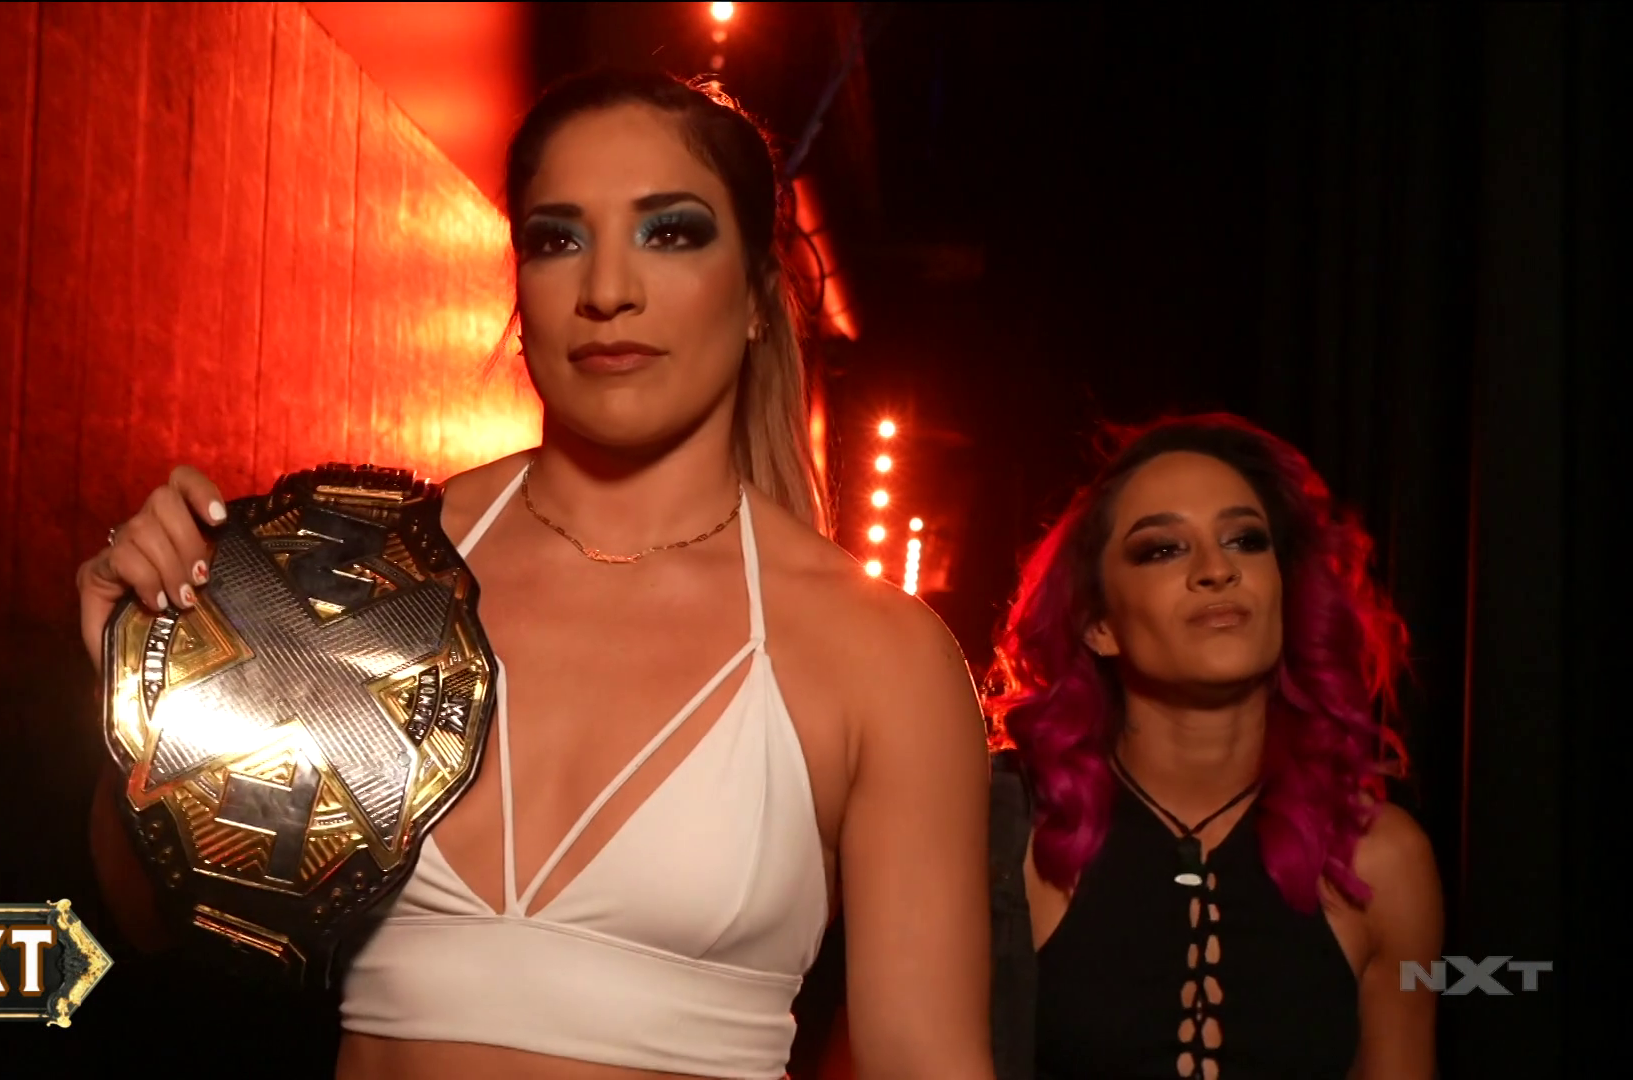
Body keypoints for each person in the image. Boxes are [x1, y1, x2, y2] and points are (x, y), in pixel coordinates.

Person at [77, 69, 993, 1080]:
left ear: (757, 300)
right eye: (559, 239)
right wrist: (144, 683)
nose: (608, 289)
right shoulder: (363, 564)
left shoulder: (879, 656)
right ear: (521, 293)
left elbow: (925, 1061)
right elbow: (150, 917)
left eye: (670, 232)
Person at [984, 413, 1444, 1080]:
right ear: (1097, 623)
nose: (1216, 570)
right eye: (1163, 549)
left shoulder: (1384, 860)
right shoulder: (1007, 834)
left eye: (1245, 541)